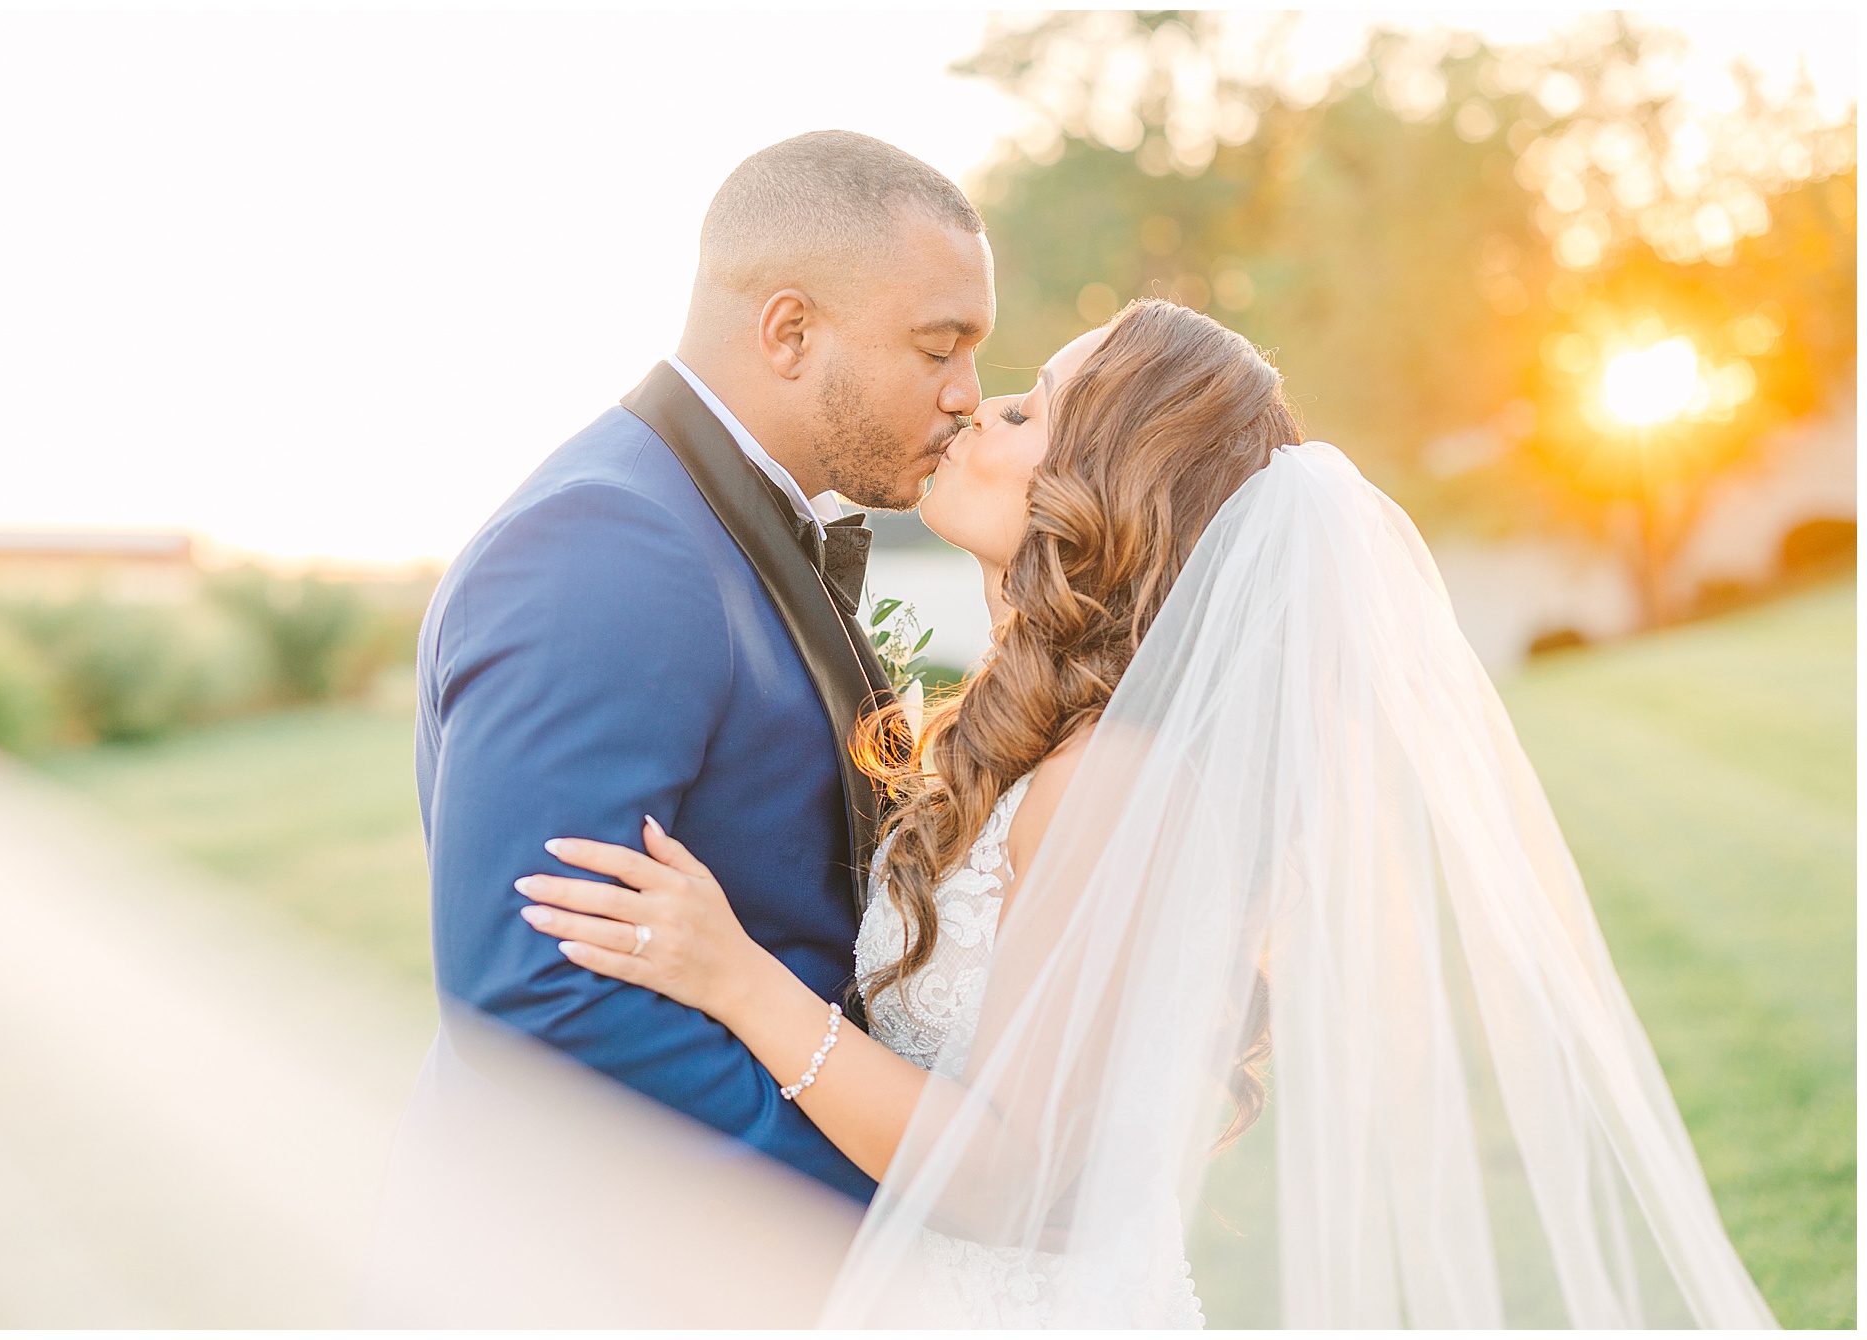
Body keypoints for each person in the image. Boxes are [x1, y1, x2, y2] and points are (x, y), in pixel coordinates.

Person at [516, 299, 1780, 1328]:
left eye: (1025, 408)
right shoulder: (1046, 753)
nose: (969, 408)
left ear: (1103, 482)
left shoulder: (1118, 776)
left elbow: (1012, 1175)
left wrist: (733, 976)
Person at [412, 129, 992, 1204]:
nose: (965, 392)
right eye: (935, 346)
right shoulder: (608, 539)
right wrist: (869, 1203)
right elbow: (532, 995)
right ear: (787, 330)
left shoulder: (711, 522)